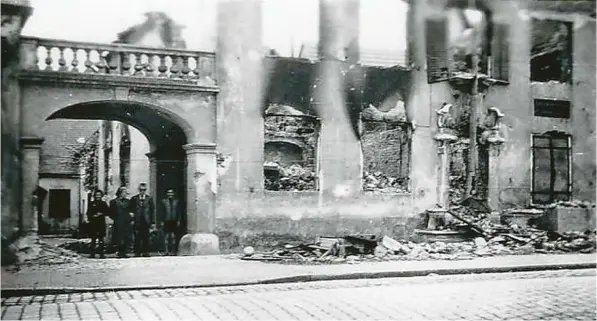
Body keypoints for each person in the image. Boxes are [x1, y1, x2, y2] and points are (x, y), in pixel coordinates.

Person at [129, 183, 155, 257]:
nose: (142, 191)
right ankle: (137, 252)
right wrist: (132, 219)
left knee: (146, 237)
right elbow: (131, 209)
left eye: (144, 190)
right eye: (141, 190)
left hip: (146, 220)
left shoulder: (149, 198)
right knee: (137, 237)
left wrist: (152, 222)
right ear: (139, 190)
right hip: (137, 220)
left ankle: (145, 252)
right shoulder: (134, 198)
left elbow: (152, 211)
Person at [110, 186, 133, 258]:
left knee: (126, 236)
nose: (125, 194)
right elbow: (111, 213)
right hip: (118, 221)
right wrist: (116, 219)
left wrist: (131, 218)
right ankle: (119, 252)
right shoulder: (113, 202)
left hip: (126, 221)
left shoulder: (128, 201)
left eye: (126, 193)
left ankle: (124, 252)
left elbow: (131, 211)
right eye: (124, 192)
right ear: (120, 193)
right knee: (119, 237)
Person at [87, 189, 110, 258]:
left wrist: (101, 213)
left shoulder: (103, 203)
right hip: (93, 223)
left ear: (101, 196)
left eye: (99, 195)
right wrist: (93, 216)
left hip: (101, 223)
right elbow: (88, 213)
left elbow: (108, 212)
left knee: (101, 239)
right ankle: (92, 253)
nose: (98, 196)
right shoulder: (91, 203)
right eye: (97, 195)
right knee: (93, 239)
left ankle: (101, 253)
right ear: (95, 196)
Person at [159, 188, 182, 256]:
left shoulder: (176, 201)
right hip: (166, 220)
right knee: (166, 236)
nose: (170, 194)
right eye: (169, 193)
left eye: (171, 193)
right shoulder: (164, 201)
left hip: (174, 220)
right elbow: (161, 212)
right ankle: (166, 251)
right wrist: (161, 221)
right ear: (167, 194)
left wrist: (178, 220)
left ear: (173, 194)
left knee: (173, 236)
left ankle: (173, 251)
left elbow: (178, 212)